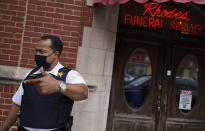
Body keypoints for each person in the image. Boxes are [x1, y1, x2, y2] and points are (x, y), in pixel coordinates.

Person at [0, 35, 88, 131]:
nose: (37, 55)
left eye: (42, 52)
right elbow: (17, 105)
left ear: (55, 54)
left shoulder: (69, 75)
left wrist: (58, 85)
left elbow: (83, 93)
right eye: (36, 51)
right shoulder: (30, 74)